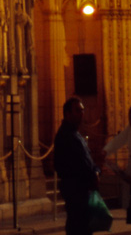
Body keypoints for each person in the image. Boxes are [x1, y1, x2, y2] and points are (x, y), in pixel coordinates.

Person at [54, 97, 101, 235]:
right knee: (78, 227)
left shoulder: (76, 134)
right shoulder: (65, 135)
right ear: (67, 114)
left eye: (82, 110)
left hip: (82, 190)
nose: (81, 114)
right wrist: (91, 175)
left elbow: (87, 160)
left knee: (84, 227)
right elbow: (65, 165)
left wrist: (96, 171)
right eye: (77, 111)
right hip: (76, 190)